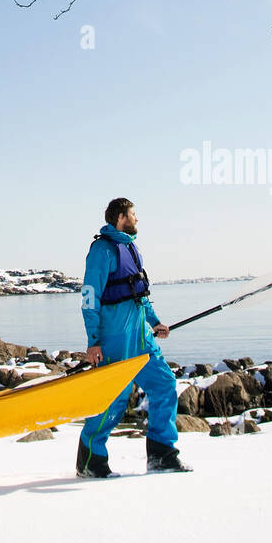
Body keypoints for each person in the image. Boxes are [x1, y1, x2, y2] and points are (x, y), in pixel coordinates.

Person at [76, 198, 191, 477]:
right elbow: (89, 298)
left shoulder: (130, 248)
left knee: (164, 384)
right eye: (133, 214)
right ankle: (91, 460)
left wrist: (155, 322)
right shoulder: (101, 251)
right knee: (114, 398)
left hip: (141, 336)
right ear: (120, 217)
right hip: (115, 338)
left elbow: (140, 295)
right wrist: (93, 341)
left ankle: (162, 455)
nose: (137, 219)